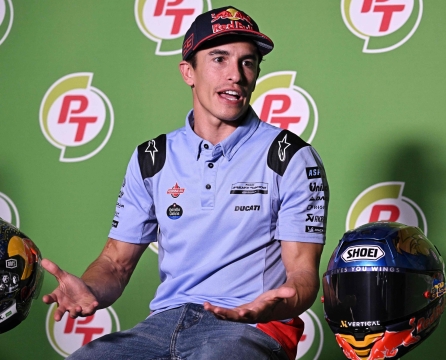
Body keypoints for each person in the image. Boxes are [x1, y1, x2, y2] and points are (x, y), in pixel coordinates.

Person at [41, 6, 328, 360]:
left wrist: (271, 307)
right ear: (188, 72)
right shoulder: (153, 157)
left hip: (250, 328)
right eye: (219, 59)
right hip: (163, 325)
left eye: (248, 62)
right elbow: (116, 263)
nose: (236, 75)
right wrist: (89, 289)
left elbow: (303, 273)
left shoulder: (290, 156)